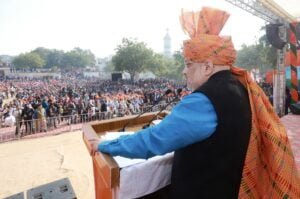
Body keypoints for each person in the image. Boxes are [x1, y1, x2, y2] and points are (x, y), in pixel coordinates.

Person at [89, 7, 300, 199]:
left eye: (188, 64)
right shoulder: (242, 87)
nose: (183, 71)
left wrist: (105, 145)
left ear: (207, 67)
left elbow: (153, 141)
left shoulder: (204, 100)